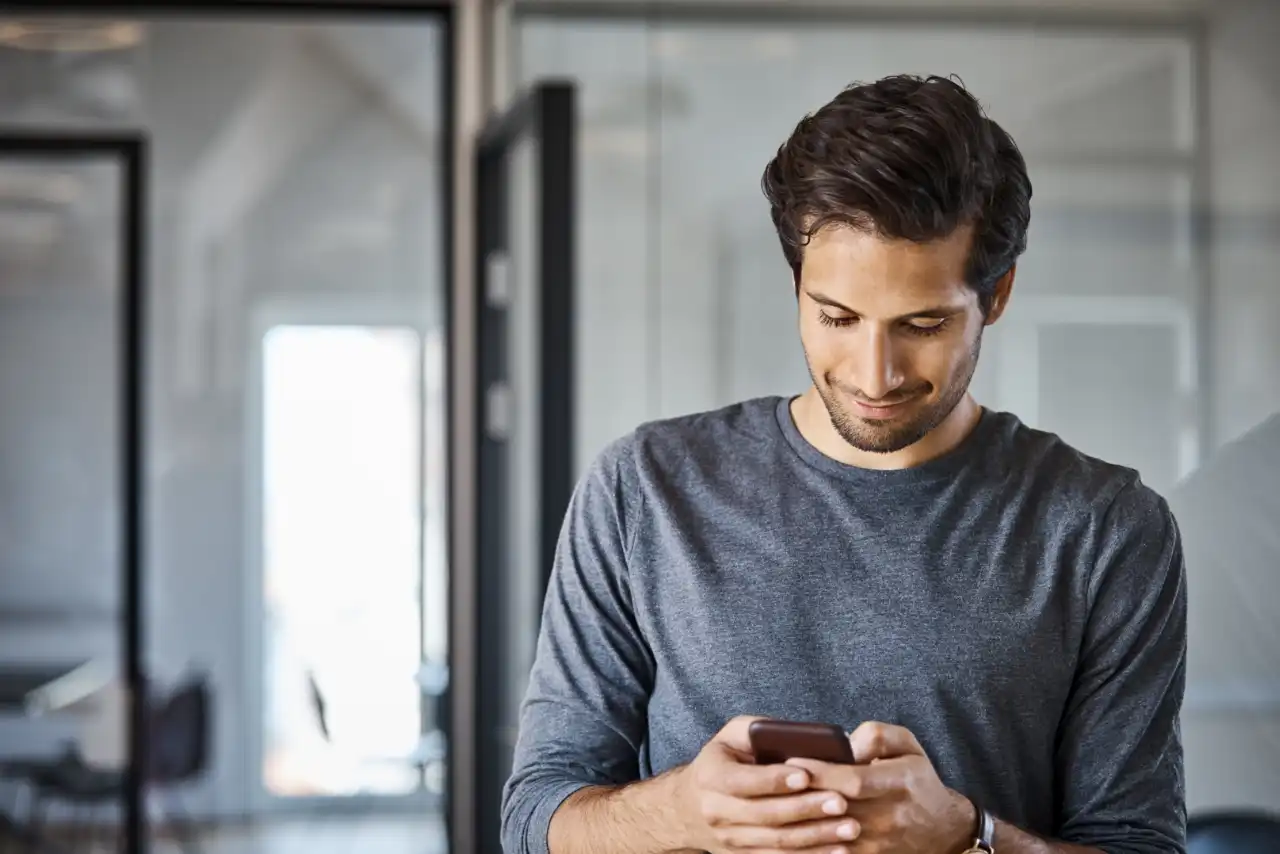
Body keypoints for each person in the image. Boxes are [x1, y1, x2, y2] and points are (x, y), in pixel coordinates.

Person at [501, 74, 1186, 854]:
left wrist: (968, 836)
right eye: (837, 317)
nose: (875, 373)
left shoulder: (1105, 530)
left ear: (997, 295)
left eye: (922, 323)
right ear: (796, 284)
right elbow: (534, 822)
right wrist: (685, 810)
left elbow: (1140, 845)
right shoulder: (644, 490)